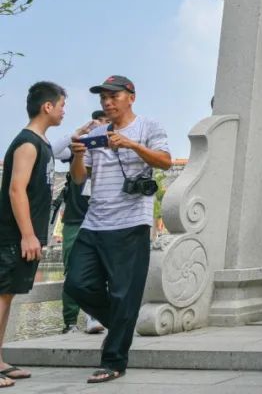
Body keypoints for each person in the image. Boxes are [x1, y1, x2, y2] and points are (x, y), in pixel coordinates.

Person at [66, 75, 172, 384]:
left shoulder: (149, 127)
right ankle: (120, 322)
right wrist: (77, 153)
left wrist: (130, 144)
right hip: (95, 221)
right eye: (103, 98)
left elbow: (164, 162)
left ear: (131, 97)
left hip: (130, 222)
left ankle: (113, 361)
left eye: (114, 96)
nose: (107, 102)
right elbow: (77, 179)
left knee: (125, 293)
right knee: (76, 284)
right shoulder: (96, 133)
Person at [0, 82, 67, 386]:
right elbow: (16, 190)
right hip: (12, 236)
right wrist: (27, 235)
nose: (64, 111)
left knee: (6, 296)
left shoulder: (42, 142)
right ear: (48, 107)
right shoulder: (27, 143)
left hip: (24, 236)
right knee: (0, 297)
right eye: (62, 105)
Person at [52, 109, 109, 335]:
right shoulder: (79, 149)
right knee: (72, 270)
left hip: (104, 220)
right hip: (76, 220)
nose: (101, 128)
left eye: (106, 124)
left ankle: (95, 316)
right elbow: (53, 151)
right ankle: (70, 323)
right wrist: (79, 132)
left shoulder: (113, 152)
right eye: (98, 124)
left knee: (102, 271)